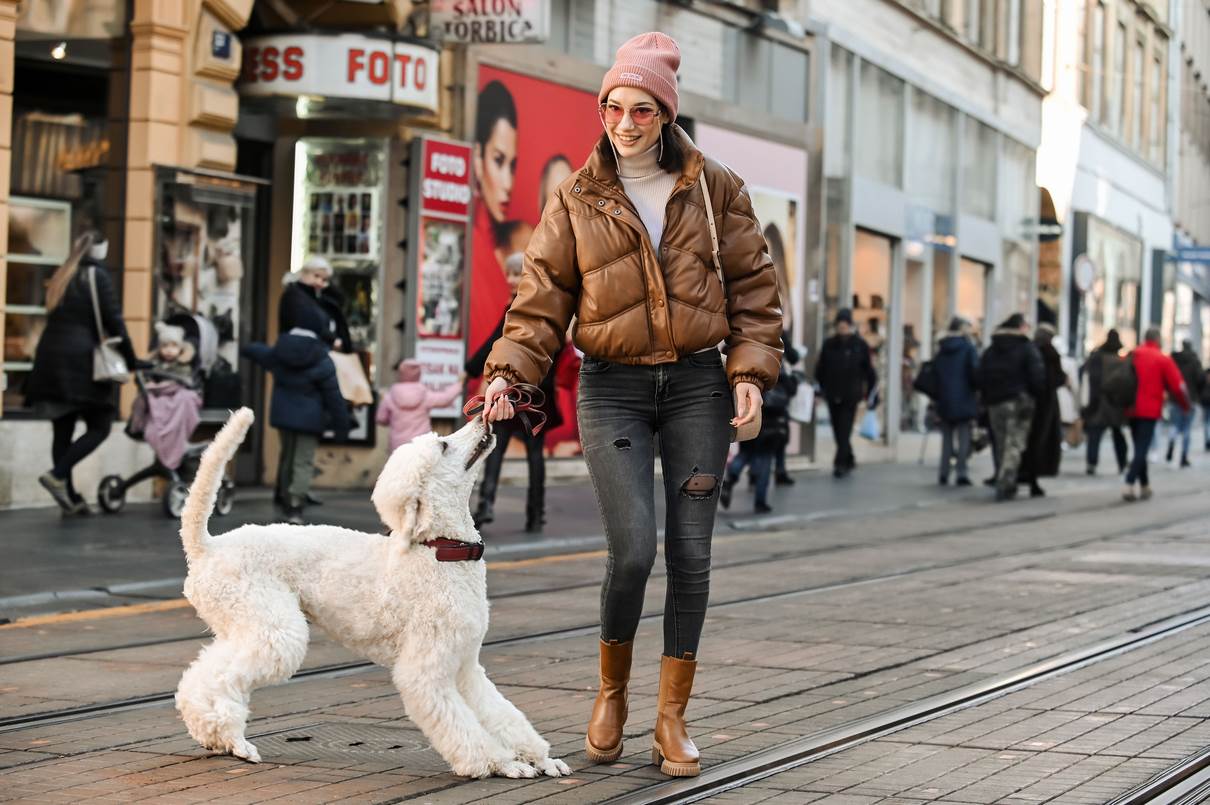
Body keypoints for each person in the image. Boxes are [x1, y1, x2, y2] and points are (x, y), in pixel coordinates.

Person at [477, 32, 782, 778]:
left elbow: (754, 291)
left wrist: (749, 371)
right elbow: (539, 301)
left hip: (698, 386)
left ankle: (671, 716)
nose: (624, 122)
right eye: (613, 106)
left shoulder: (716, 188)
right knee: (635, 548)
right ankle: (611, 691)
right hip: (610, 385)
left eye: (641, 109)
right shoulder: (576, 196)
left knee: (692, 551)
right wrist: (507, 374)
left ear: (666, 114)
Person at [26, 232, 140, 515]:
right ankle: (58, 474)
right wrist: (132, 359)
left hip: (50, 359)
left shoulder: (62, 274)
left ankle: (71, 500)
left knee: (62, 428)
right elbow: (114, 321)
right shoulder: (96, 277)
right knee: (100, 424)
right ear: (101, 251)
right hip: (81, 362)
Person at [466, 253, 564, 532]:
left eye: (516, 274)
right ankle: (531, 514)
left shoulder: (523, 307)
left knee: (512, 449)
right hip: (532, 389)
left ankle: (491, 506)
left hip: (521, 389)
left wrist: (470, 369)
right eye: (508, 274)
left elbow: (496, 343)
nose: (510, 280)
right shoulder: (541, 302)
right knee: (519, 451)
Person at [243, 328, 351, 524]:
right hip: (310, 419)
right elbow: (333, 397)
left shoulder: (278, 355)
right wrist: (341, 426)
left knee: (287, 458)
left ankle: (285, 497)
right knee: (303, 461)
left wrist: (245, 347)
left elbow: (255, 351)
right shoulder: (322, 360)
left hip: (283, 416)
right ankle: (295, 504)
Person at [720, 343, 798, 514]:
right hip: (771, 416)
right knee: (765, 457)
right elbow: (788, 385)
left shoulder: (736, 346)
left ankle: (729, 480)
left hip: (748, 409)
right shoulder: (773, 351)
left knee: (746, 451)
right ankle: (760, 501)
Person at [976, 313, 1044, 501]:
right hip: (1019, 401)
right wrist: (1034, 393)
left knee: (1000, 441)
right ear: (1019, 327)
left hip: (994, 402)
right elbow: (1037, 376)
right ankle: (1006, 480)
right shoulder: (1026, 348)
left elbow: (980, 375)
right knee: (1014, 443)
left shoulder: (992, 349)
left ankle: (1002, 474)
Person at [1122, 327, 1190, 501]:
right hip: (1149, 410)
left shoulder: (1133, 354)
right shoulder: (1162, 359)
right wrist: (1185, 405)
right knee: (1142, 449)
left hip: (1130, 407)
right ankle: (1129, 484)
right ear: (1158, 339)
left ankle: (1144, 486)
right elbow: (1178, 386)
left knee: (1139, 447)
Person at [815, 308, 877, 478]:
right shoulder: (829, 344)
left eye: (845, 325)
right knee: (837, 430)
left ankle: (840, 463)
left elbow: (869, 372)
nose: (842, 329)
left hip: (851, 395)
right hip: (832, 393)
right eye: (840, 326)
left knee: (845, 429)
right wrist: (819, 390)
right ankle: (848, 456)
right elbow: (820, 369)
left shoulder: (860, 345)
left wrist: (872, 393)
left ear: (850, 326)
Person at [1018, 323, 1067, 497]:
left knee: (1027, 439)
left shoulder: (1029, 350)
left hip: (1029, 400)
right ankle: (1032, 477)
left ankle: (1024, 473)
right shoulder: (1050, 353)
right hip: (1045, 403)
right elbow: (1057, 377)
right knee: (1039, 440)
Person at [376, 359, 464, 454]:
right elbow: (445, 399)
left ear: (400, 373)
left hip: (398, 447)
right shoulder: (424, 395)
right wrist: (459, 383)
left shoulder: (390, 396)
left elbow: (381, 419)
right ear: (418, 374)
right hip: (421, 445)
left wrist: (393, 419)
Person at [933, 317, 979, 486]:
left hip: (944, 398)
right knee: (964, 437)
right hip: (964, 396)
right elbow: (975, 372)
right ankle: (961, 472)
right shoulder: (968, 348)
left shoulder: (942, 348)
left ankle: (943, 472)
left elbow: (935, 373)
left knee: (946, 438)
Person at [1081, 329, 1128, 475]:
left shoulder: (1097, 357)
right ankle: (1122, 463)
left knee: (1095, 434)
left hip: (1099, 402)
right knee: (1117, 434)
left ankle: (1091, 462)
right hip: (1115, 404)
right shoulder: (1121, 360)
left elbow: (1087, 377)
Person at [279, 257, 343, 349]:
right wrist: (332, 339)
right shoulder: (294, 295)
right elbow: (309, 322)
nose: (319, 282)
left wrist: (327, 288)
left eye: (324, 280)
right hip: (299, 352)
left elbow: (340, 300)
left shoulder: (314, 297)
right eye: (316, 276)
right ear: (304, 273)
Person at [1165, 339, 1203, 468]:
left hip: (1174, 398)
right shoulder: (1194, 361)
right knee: (1187, 428)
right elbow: (1200, 379)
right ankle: (1183, 457)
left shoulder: (1174, 359)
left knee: (1175, 425)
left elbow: (1166, 377)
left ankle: (1172, 440)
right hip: (1190, 399)